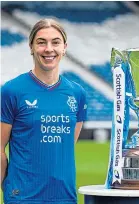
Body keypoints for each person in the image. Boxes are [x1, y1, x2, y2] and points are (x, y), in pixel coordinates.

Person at [1, 18, 87, 204]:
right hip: (22, 197)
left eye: (55, 42)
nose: (49, 49)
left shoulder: (78, 94)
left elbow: (66, 146)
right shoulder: (12, 90)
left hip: (65, 197)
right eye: (41, 42)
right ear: (31, 47)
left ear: (64, 47)